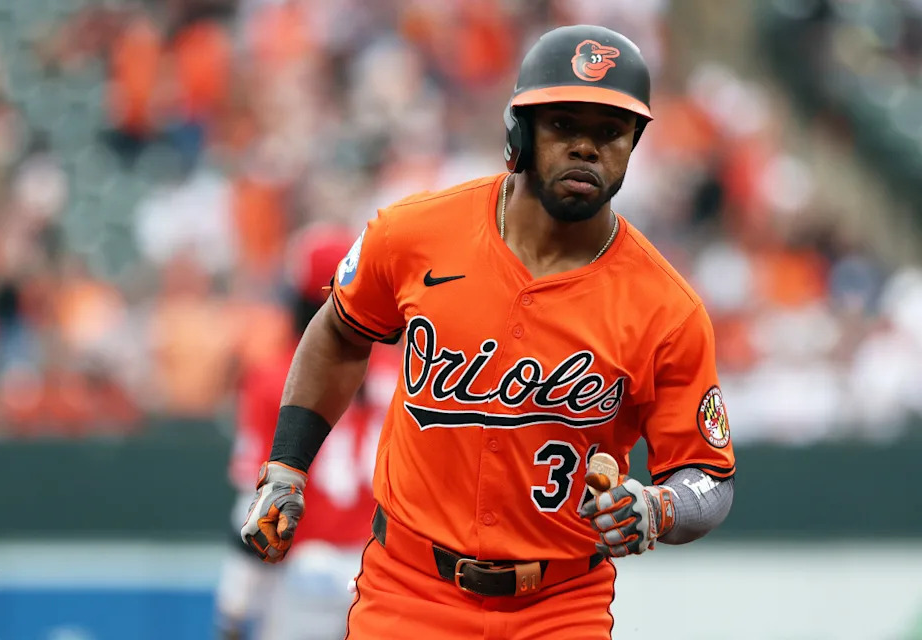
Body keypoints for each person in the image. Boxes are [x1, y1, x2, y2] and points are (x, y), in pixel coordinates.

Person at [241, 25, 736, 640]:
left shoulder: (667, 306)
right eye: (562, 124)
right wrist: (287, 467)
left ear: (634, 143)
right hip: (411, 587)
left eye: (609, 132)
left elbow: (708, 477)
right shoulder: (416, 232)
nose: (586, 147)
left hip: (561, 603)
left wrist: (660, 507)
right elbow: (341, 331)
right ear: (518, 134)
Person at [217, 223, 399, 639]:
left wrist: (234, 605)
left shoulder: (272, 378)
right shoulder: (398, 371)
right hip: (386, 575)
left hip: (308, 574)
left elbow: (258, 501)